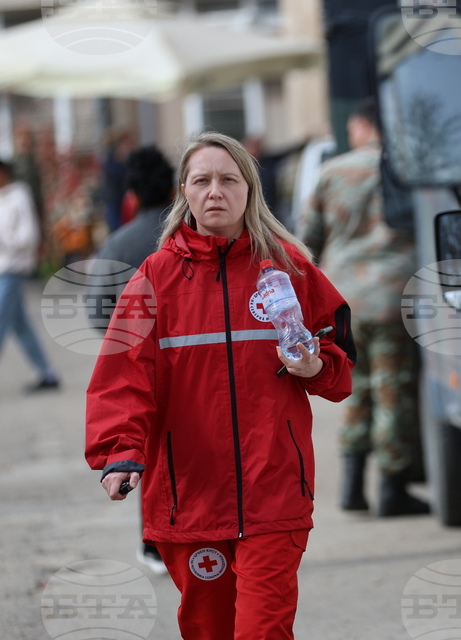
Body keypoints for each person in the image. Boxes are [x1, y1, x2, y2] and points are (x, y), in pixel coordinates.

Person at [86, 132, 355, 640]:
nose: (216, 192)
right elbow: (122, 377)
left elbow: (342, 370)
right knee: (208, 631)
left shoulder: (292, 270)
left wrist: (314, 369)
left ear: (250, 190)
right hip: (189, 498)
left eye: (229, 180)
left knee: (261, 630)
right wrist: (118, 453)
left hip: (275, 492)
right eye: (202, 180)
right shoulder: (154, 279)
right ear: (183, 192)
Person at [297, 99, 427, 517]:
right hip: (393, 296)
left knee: (354, 387)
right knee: (393, 391)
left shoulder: (331, 172)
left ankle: (352, 487)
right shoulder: (408, 169)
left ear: (360, 125)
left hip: (343, 300)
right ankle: (392, 489)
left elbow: (307, 239)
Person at [92, 145, 175, 576]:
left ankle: (154, 540)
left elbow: (95, 312)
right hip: (200, 363)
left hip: (141, 366)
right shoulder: (191, 236)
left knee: (147, 452)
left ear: (132, 193)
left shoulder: (118, 244)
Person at [0, 158, 60, 398]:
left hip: (13, 268)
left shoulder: (19, 196)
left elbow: (28, 237)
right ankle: (47, 374)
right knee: (20, 325)